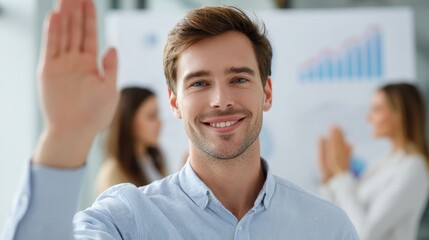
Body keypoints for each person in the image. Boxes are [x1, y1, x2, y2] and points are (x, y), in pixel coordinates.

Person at [1, 0, 358, 239]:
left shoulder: (328, 227)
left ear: (266, 92)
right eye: (200, 83)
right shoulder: (128, 219)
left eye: (239, 79)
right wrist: (65, 136)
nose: (221, 100)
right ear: (174, 102)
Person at [318, 82, 429, 240]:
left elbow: (363, 234)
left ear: (399, 114)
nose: (368, 117)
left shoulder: (413, 168)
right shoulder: (384, 163)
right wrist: (330, 177)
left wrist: (341, 173)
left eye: (377, 109)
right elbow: (339, 215)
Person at [96, 87, 167, 195]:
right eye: (151, 116)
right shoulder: (112, 173)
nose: (159, 123)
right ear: (129, 121)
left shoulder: (154, 162)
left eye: (157, 115)